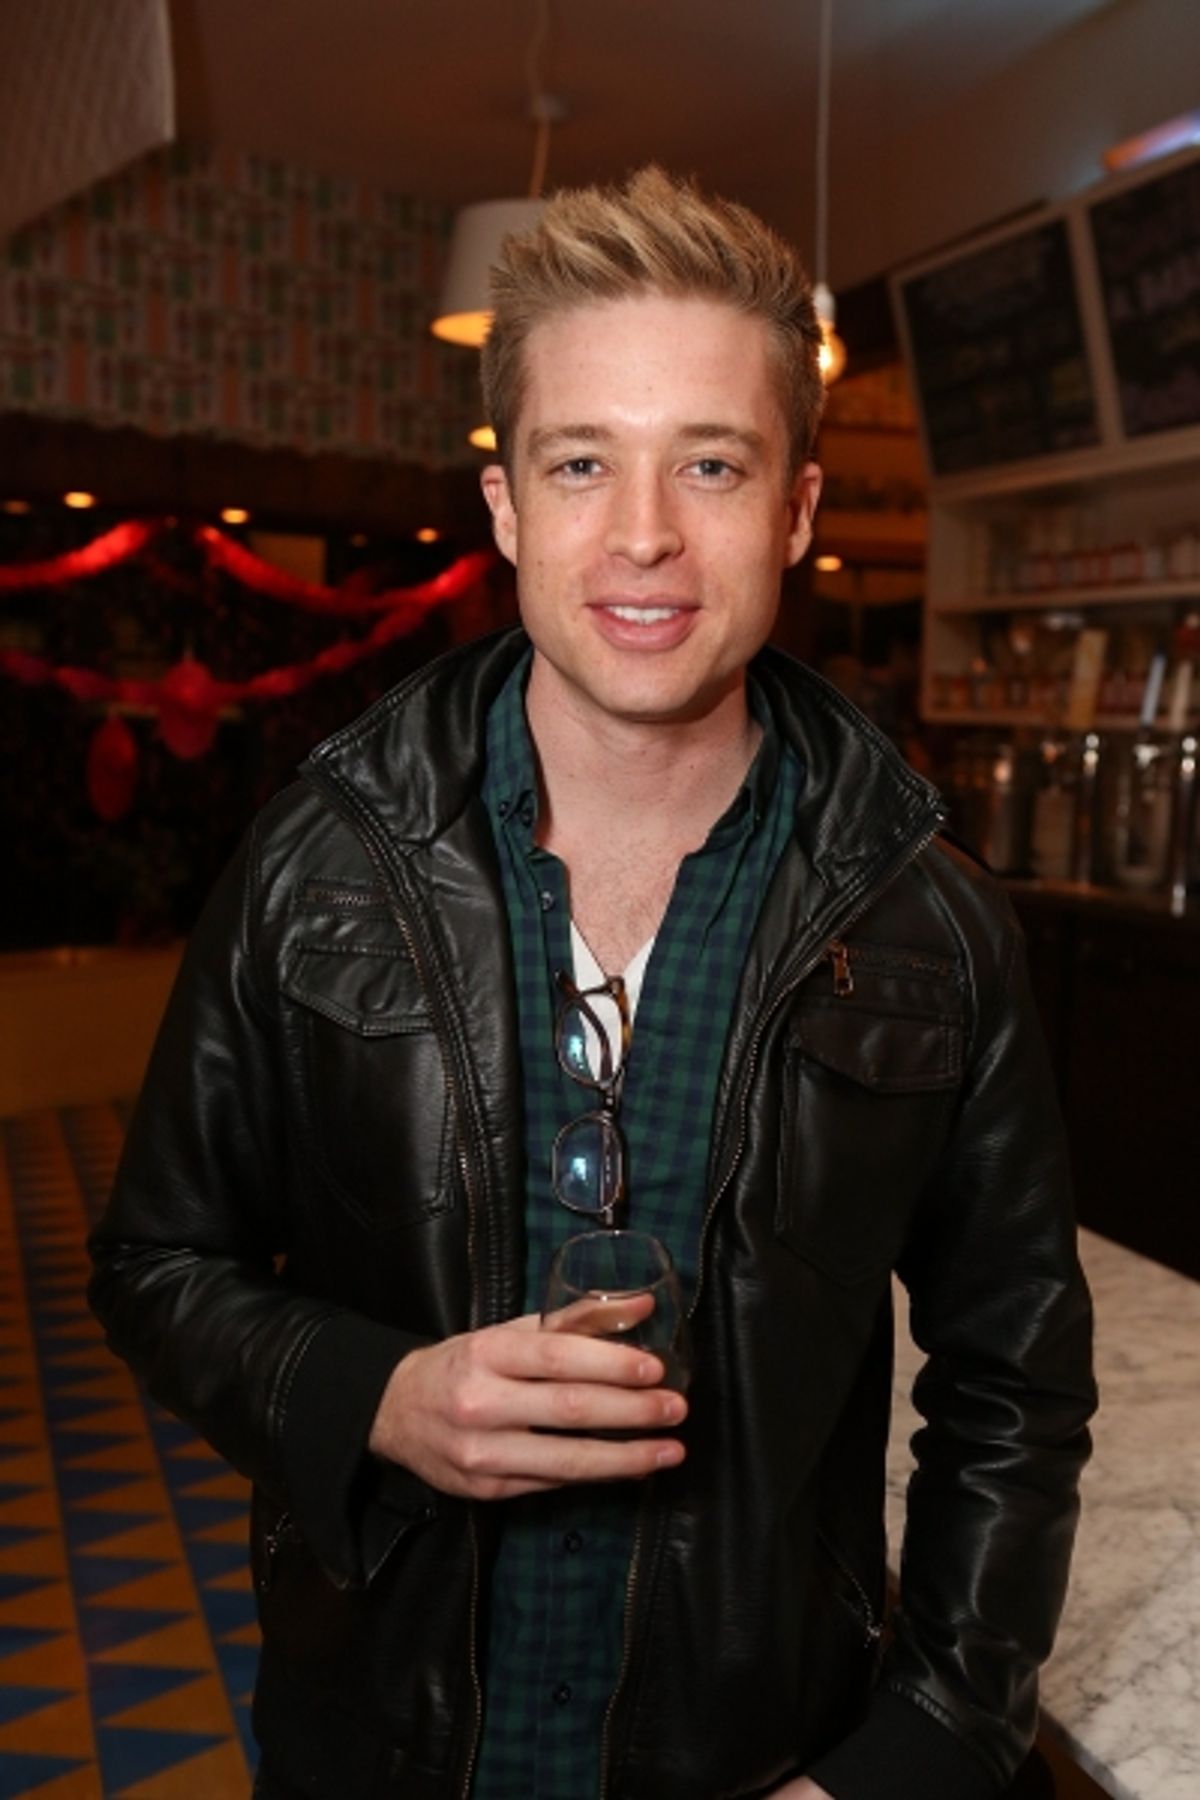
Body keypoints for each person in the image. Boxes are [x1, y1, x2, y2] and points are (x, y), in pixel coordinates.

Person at [89, 167, 1095, 1800]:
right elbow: (155, 1261)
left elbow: (1014, 1384)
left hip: (771, 1753)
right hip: (384, 1751)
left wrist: (916, 1757)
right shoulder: (315, 863)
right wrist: (377, 1395)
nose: (644, 533)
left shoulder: (934, 923)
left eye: (711, 462)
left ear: (797, 511)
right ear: (505, 509)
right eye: (582, 463)